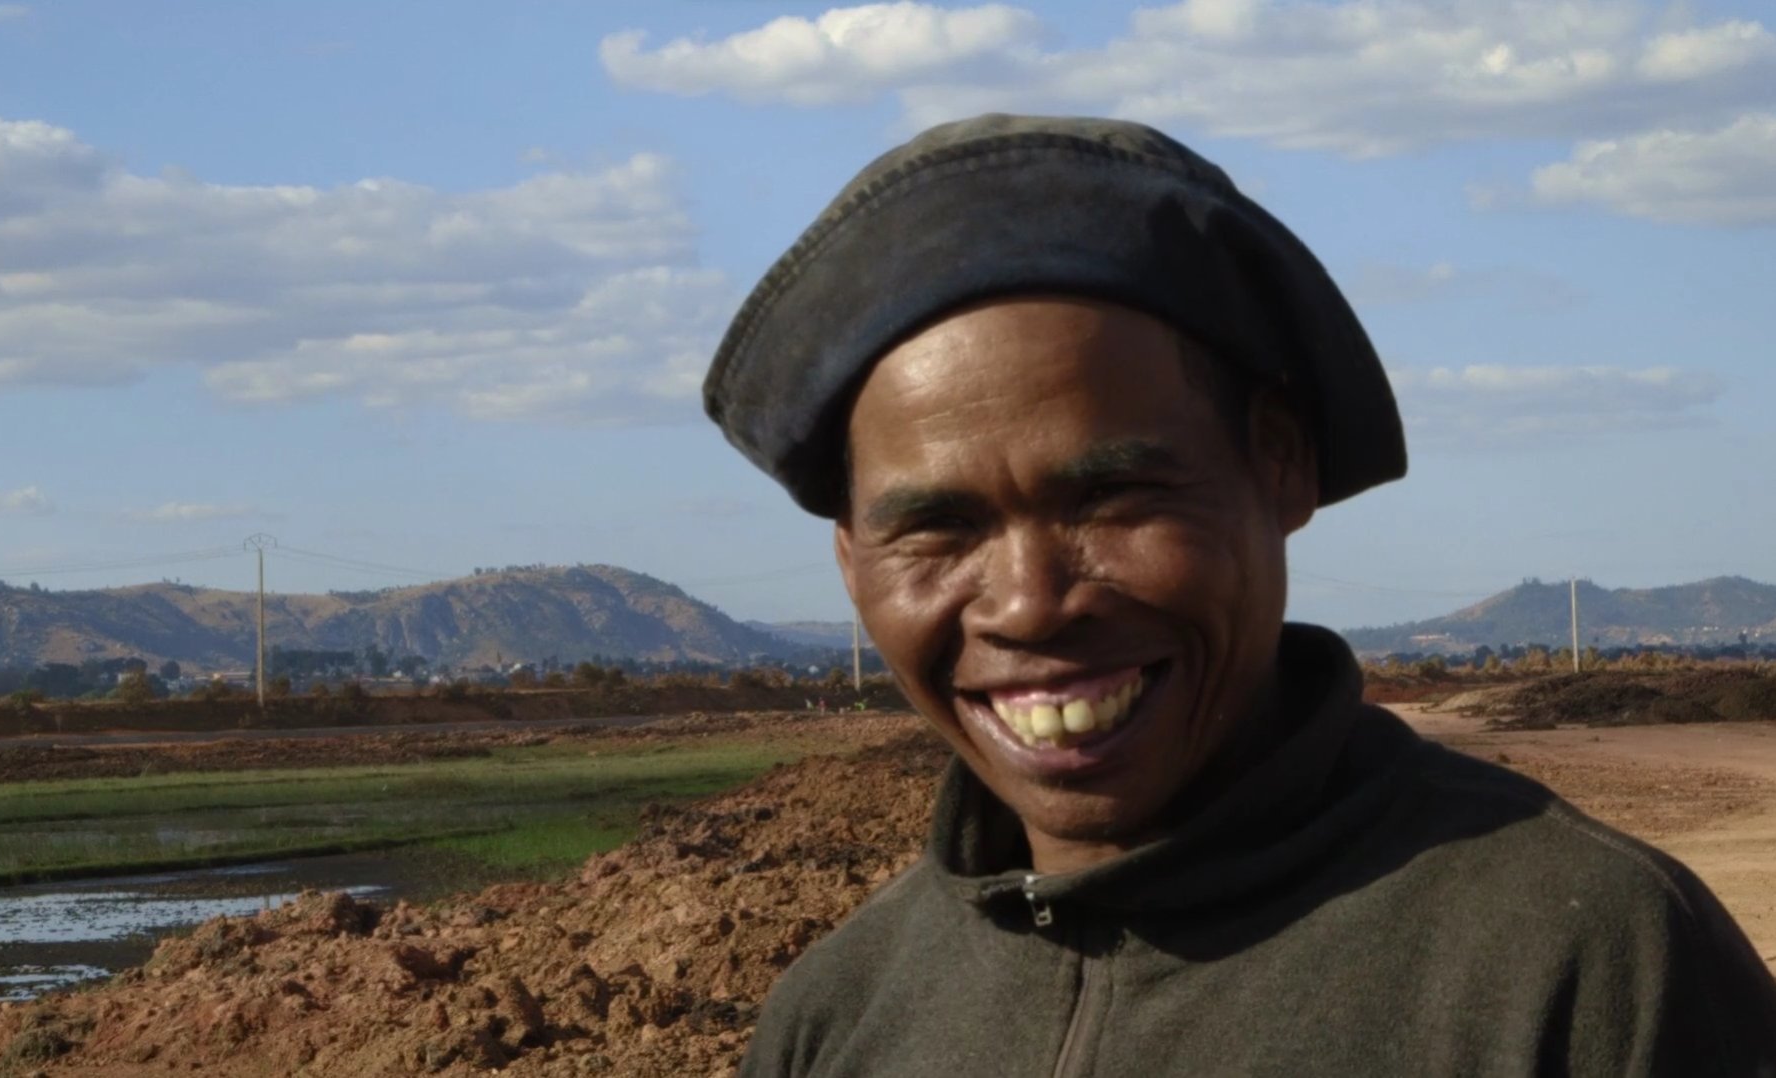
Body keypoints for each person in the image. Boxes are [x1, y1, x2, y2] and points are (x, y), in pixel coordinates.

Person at [702, 115, 1776, 1076]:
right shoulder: (837, 1017)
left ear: (1279, 466)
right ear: (853, 563)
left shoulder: (1582, 966)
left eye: (1114, 495)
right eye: (937, 529)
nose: (1027, 604)